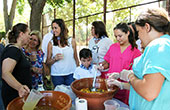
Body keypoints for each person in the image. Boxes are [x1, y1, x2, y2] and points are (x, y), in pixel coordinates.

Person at [107, 8, 170, 110]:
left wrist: (130, 77)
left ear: (147, 27)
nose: (138, 37)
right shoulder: (164, 44)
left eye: (138, 31)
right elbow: (148, 82)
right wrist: (122, 83)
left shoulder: (158, 45)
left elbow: (149, 91)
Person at [99, 22, 141, 104]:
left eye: (120, 36)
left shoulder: (135, 52)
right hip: (111, 84)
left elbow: (135, 73)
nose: (118, 39)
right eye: (116, 36)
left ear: (127, 33)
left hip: (125, 88)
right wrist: (101, 66)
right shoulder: (113, 47)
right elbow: (107, 62)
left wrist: (121, 83)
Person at [0, 23, 32, 108]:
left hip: (20, 96)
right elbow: (6, 73)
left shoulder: (17, 50)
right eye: (28, 34)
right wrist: (20, 87)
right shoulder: (13, 50)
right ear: (21, 34)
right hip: (14, 96)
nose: (30, 37)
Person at [46, 19, 79, 87]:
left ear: (62, 28)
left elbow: (76, 58)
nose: (54, 30)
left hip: (71, 74)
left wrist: (78, 71)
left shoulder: (71, 41)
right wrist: (55, 59)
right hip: (57, 76)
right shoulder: (51, 43)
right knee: (59, 96)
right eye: (52, 28)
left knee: (71, 95)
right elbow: (47, 62)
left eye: (56, 28)